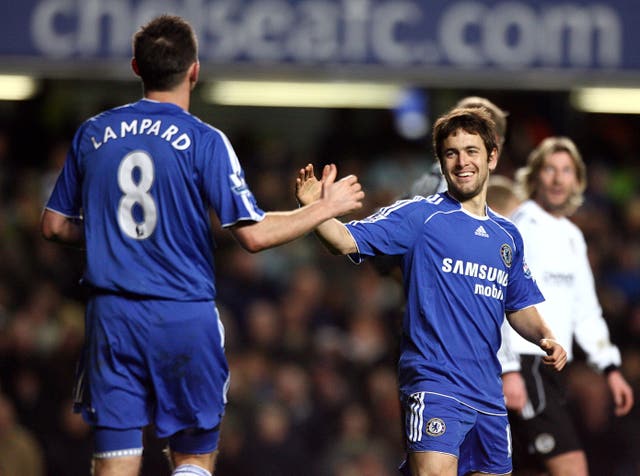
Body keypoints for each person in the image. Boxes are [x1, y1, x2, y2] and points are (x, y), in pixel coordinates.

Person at [40, 14, 364, 476]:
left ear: (136, 67)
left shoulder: (93, 133)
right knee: (193, 456)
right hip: (182, 315)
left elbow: (53, 226)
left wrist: (110, 237)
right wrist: (321, 209)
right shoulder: (205, 141)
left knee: (116, 460)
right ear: (194, 69)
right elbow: (251, 234)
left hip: (111, 318)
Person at [296, 107, 567, 476]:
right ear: (441, 163)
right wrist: (314, 210)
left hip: (488, 393)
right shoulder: (420, 217)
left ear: (492, 157)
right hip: (434, 382)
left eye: (471, 151)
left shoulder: (508, 236)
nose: (462, 162)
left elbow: (518, 305)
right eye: (451, 153)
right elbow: (344, 240)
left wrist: (546, 338)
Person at [499, 136, 634, 476]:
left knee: (530, 469)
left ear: (577, 179)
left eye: (566, 171)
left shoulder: (572, 236)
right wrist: (509, 369)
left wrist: (610, 368)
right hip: (526, 366)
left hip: (555, 369)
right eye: (550, 169)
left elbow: (586, 311)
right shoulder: (520, 227)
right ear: (535, 176)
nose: (558, 179)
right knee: (571, 467)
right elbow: (501, 298)